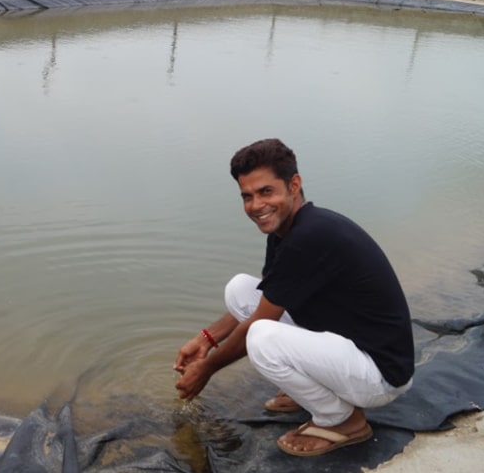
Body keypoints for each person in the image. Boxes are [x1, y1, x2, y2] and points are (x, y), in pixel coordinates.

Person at [173, 138, 414, 457]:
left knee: (260, 337)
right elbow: (267, 299)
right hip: (353, 349)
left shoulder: (308, 237)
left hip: (381, 374)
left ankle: (342, 420)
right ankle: (315, 392)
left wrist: (206, 369)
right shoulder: (287, 231)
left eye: (266, 192)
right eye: (247, 196)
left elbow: (258, 322)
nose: (256, 205)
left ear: (294, 185)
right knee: (240, 289)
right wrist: (206, 338)